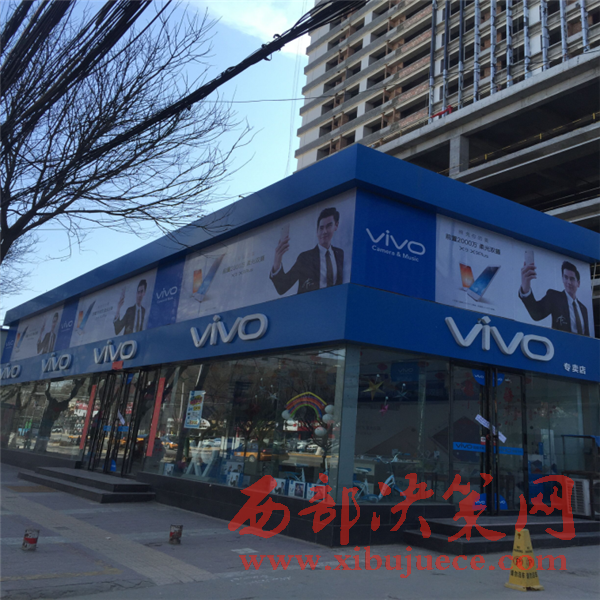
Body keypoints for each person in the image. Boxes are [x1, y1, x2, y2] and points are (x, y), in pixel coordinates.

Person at [270, 207, 344, 295]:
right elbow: (282, 287)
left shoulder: (340, 254)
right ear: (317, 231)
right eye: (321, 228)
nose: (324, 231)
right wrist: (277, 261)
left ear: (336, 225)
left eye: (329, 226)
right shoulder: (305, 258)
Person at [519, 260, 590, 336]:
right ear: (562, 278)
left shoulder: (583, 309)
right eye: (565, 277)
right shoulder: (555, 298)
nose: (568, 282)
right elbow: (536, 313)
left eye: (572, 279)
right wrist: (525, 288)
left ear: (578, 283)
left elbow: (587, 335)